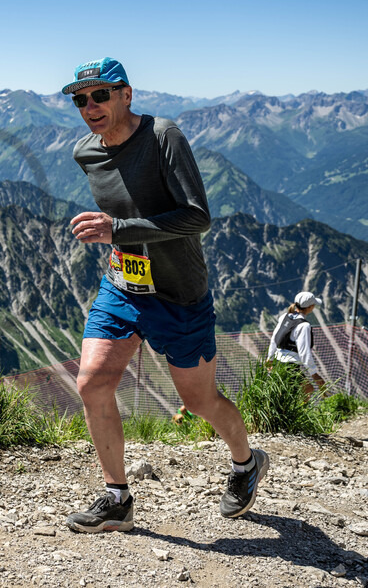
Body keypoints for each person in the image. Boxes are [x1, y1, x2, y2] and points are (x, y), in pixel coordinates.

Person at [62, 57, 268, 533]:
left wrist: (118, 228)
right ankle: (117, 498)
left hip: (179, 294)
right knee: (92, 383)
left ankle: (246, 463)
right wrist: (116, 236)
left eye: (100, 95)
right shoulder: (86, 153)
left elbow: (198, 216)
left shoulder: (163, 136)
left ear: (126, 94)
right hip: (122, 285)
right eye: (79, 99)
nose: (89, 106)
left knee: (199, 402)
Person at [267, 292, 326, 396]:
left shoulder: (285, 317)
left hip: (277, 362)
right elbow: (304, 353)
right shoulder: (304, 325)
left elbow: (274, 339)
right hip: (290, 366)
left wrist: (270, 358)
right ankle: (294, 412)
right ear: (310, 307)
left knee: (288, 392)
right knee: (307, 390)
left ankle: (286, 411)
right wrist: (314, 373)